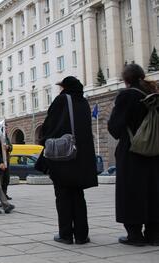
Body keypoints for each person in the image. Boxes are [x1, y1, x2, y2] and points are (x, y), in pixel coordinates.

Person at [36, 76, 97, 245]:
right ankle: (82, 235)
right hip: (80, 157)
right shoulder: (84, 103)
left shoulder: (62, 100)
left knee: (63, 195)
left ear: (65, 87)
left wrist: (44, 140)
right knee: (78, 195)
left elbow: (49, 126)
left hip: (64, 158)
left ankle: (66, 234)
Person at [108, 64, 159, 246]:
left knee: (131, 191)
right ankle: (154, 235)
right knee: (153, 191)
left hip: (133, 151)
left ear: (126, 80)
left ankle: (135, 235)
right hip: (155, 151)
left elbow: (114, 127)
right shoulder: (153, 94)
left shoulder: (127, 95)